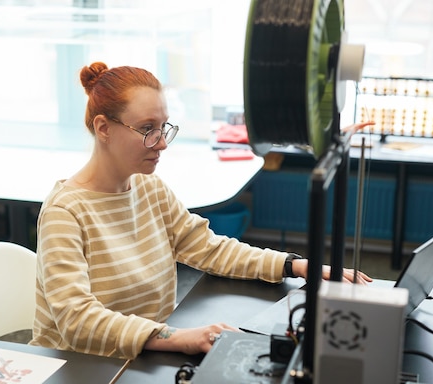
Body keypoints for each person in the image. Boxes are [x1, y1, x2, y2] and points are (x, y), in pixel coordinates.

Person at [29, 62, 372, 360]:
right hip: (79, 369)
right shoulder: (65, 213)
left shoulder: (149, 188)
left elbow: (207, 247)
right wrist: (178, 337)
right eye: (147, 129)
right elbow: (77, 322)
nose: (162, 142)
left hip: (137, 357)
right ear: (104, 128)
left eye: (163, 127)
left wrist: (295, 264)